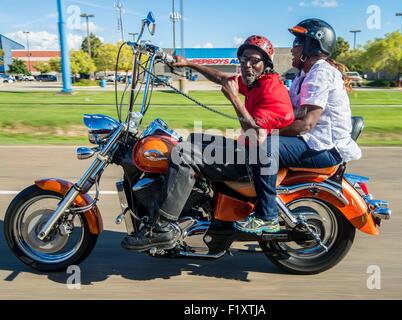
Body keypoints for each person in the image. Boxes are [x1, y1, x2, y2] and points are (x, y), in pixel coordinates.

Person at [121, 35, 295, 251]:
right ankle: (195, 202)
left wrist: (233, 98)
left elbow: (255, 134)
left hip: (254, 160)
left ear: (266, 64)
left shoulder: (272, 91)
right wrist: (189, 63)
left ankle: (161, 228)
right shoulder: (256, 82)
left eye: (253, 61)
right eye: (243, 61)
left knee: (183, 154)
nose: (247, 66)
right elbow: (222, 77)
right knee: (192, 139)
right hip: (246, 149)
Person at [234, 18, 362, 233]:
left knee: (264, 148)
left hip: (324, 147)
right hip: (313, 142)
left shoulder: (321, 74)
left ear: (312, 46)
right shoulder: (305, 75)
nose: (292, 49)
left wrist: (266, 133)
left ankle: (267, 217)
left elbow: (306, 123)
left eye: (296, 43)